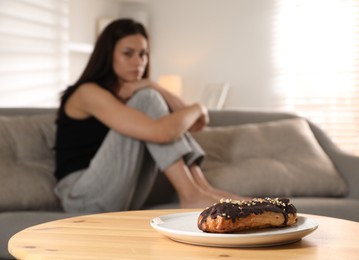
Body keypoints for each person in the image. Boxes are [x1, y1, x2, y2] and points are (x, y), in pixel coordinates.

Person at [54, 18, 245, 213]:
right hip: (81, 196)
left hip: (121, 194)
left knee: (159, 109)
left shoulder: (133, 93)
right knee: (148, 101)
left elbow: (194, 124)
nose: (139, 62)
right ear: (107, 55)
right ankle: (191, 195)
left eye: (143, 54)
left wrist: (153, 85)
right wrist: (198, 106)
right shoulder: (87, 92)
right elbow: (164, 132)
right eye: (128, 54)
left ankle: (202, 189)